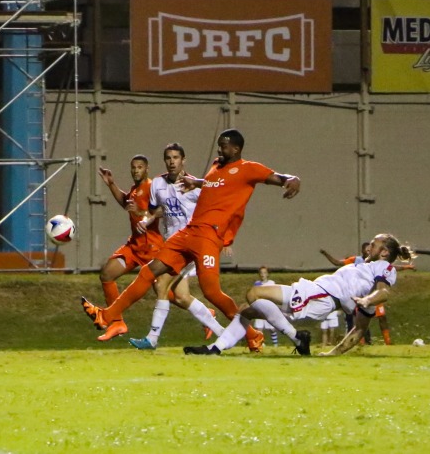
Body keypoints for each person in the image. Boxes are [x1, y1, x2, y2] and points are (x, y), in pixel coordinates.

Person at [82, 128, 300, 352]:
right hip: (188, 232)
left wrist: (293, 179)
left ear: (236, 149)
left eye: (224, 145)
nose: (219, 148)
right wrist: (197, 183)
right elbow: (213, 185)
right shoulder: (216, 165)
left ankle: (251, 334)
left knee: (211, 293)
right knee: (149, 272)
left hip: (208, 236)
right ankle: (107, 315)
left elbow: (278, 178)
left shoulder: (248, 169)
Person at [184, 233, 413, 357]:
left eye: (373, 244)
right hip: (314, 293)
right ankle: (215, 349)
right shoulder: (363, 267)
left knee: (254, 294)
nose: (368, 247)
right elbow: (359, 330)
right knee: (248, 309)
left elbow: (383, 293)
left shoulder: (384, 269)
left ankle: (297, 338)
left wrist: (366, 300)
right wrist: (332, 354)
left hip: (319, 297)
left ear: (384, 253)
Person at [128, 143, 224, 350]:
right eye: (168, 158)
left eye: (176, 158)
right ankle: (224, 334)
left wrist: (221, 238)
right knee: (181, 296)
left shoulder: (195, 188)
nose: (172, 161)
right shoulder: (158, 185)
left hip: (190, 246)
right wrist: (144, 218)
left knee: (161, 284)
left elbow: (214, 212)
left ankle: (152, 338)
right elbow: (158, 210)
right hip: (172, 244)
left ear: (183, 161)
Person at [95, 155, 166, 341]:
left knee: (169, 293)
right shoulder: (135, 190)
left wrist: (139, 212)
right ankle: (117, 323)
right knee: (107, 274)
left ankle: (206, 313)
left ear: (147, 169)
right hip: (134, 246)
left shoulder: (152, 187)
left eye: (140, 167)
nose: (136, 170)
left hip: (152, 248)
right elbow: (126, 202)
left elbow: (161, 210)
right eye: (133, 167)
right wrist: (111, 184)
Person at [252, 266, 278, 347]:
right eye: (261, 273)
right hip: (260, 308)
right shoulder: (257, 284)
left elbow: (274, 294)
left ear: (267, 274)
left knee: (271, 328)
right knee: (259, 328)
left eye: (264, 273)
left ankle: (275, 344)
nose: (262, 275)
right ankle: (261, 343)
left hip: (268, 308)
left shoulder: (271, 283)